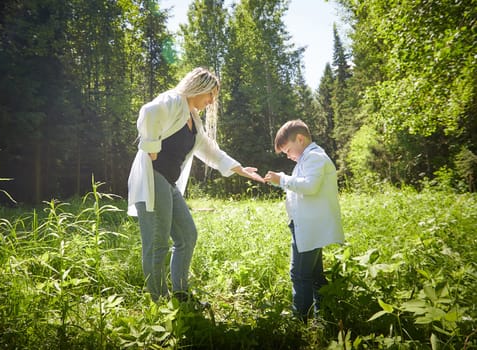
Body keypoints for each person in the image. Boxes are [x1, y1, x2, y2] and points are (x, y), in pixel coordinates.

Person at [127, 67, 264, 302]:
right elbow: (148, 112)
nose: (211, 102)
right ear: (198, 88)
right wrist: (150, 149)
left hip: (169, 182)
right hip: (152, 178)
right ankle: (159, 302)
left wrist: (241, 169)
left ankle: (181, 295)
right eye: (210, 95)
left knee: (187, 235)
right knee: (157, 243)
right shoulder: (173, 100)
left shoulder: (193, 119)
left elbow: (210, 150)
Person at [264, 119, 344, 323]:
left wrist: (281, 179)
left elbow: (309, 186)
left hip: (310, 227)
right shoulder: (305, 159)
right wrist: (278, 182)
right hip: (305, 225)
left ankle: (301, 321)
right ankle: (323, 315)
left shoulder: (315, 157)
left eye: (289, 150)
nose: (288, 156)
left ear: (300, 139)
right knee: (314, 274)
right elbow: (298, 186)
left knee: (299, 274)